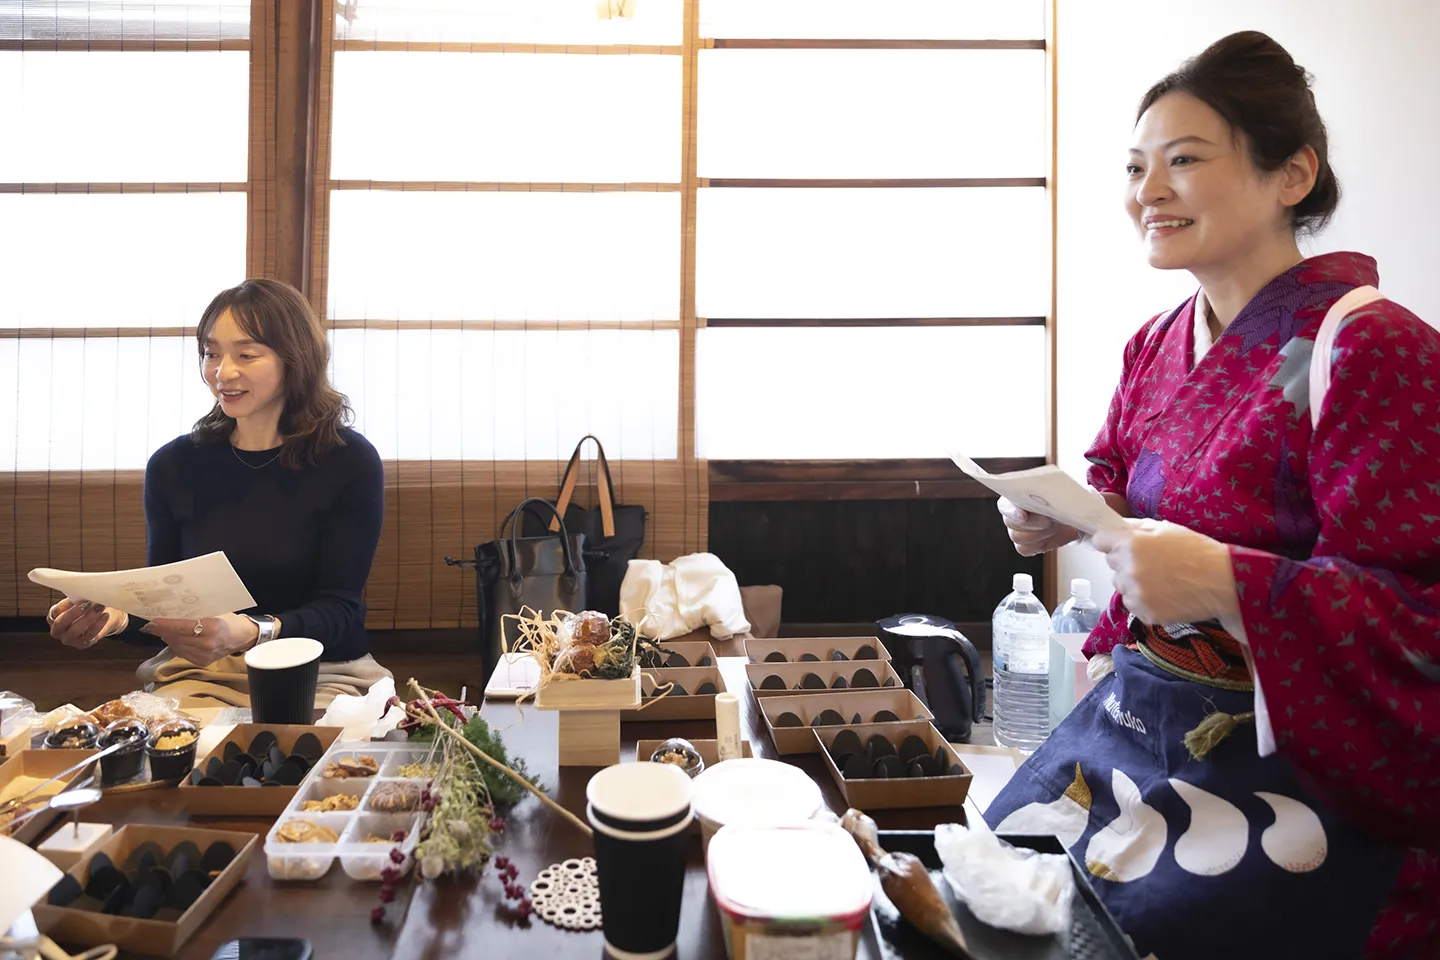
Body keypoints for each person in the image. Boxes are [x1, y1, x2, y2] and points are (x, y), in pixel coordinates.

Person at [987, 32, 1439, 960]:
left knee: (1112, 933)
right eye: (1135, 167)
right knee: (994, 881)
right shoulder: (1157, 341)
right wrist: (1057, 512)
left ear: (1293, 176)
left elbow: (1419, 621)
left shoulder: (1372, 347)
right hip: (1144, 722)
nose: (1146, 192)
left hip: (1288, 779)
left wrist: (1231, 582)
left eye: (1184, 162)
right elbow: (1115, 473)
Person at [46, 279, 389, 705]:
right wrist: (112, 618)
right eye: (211, 353)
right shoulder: (175, 466)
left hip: (321, 671)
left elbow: (341, 610)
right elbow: (166, 603)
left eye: (246, 354)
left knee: (307, 758)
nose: (222, 372)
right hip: (200, 675)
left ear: (295, 359)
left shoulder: (347, 460)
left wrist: (252, 630)